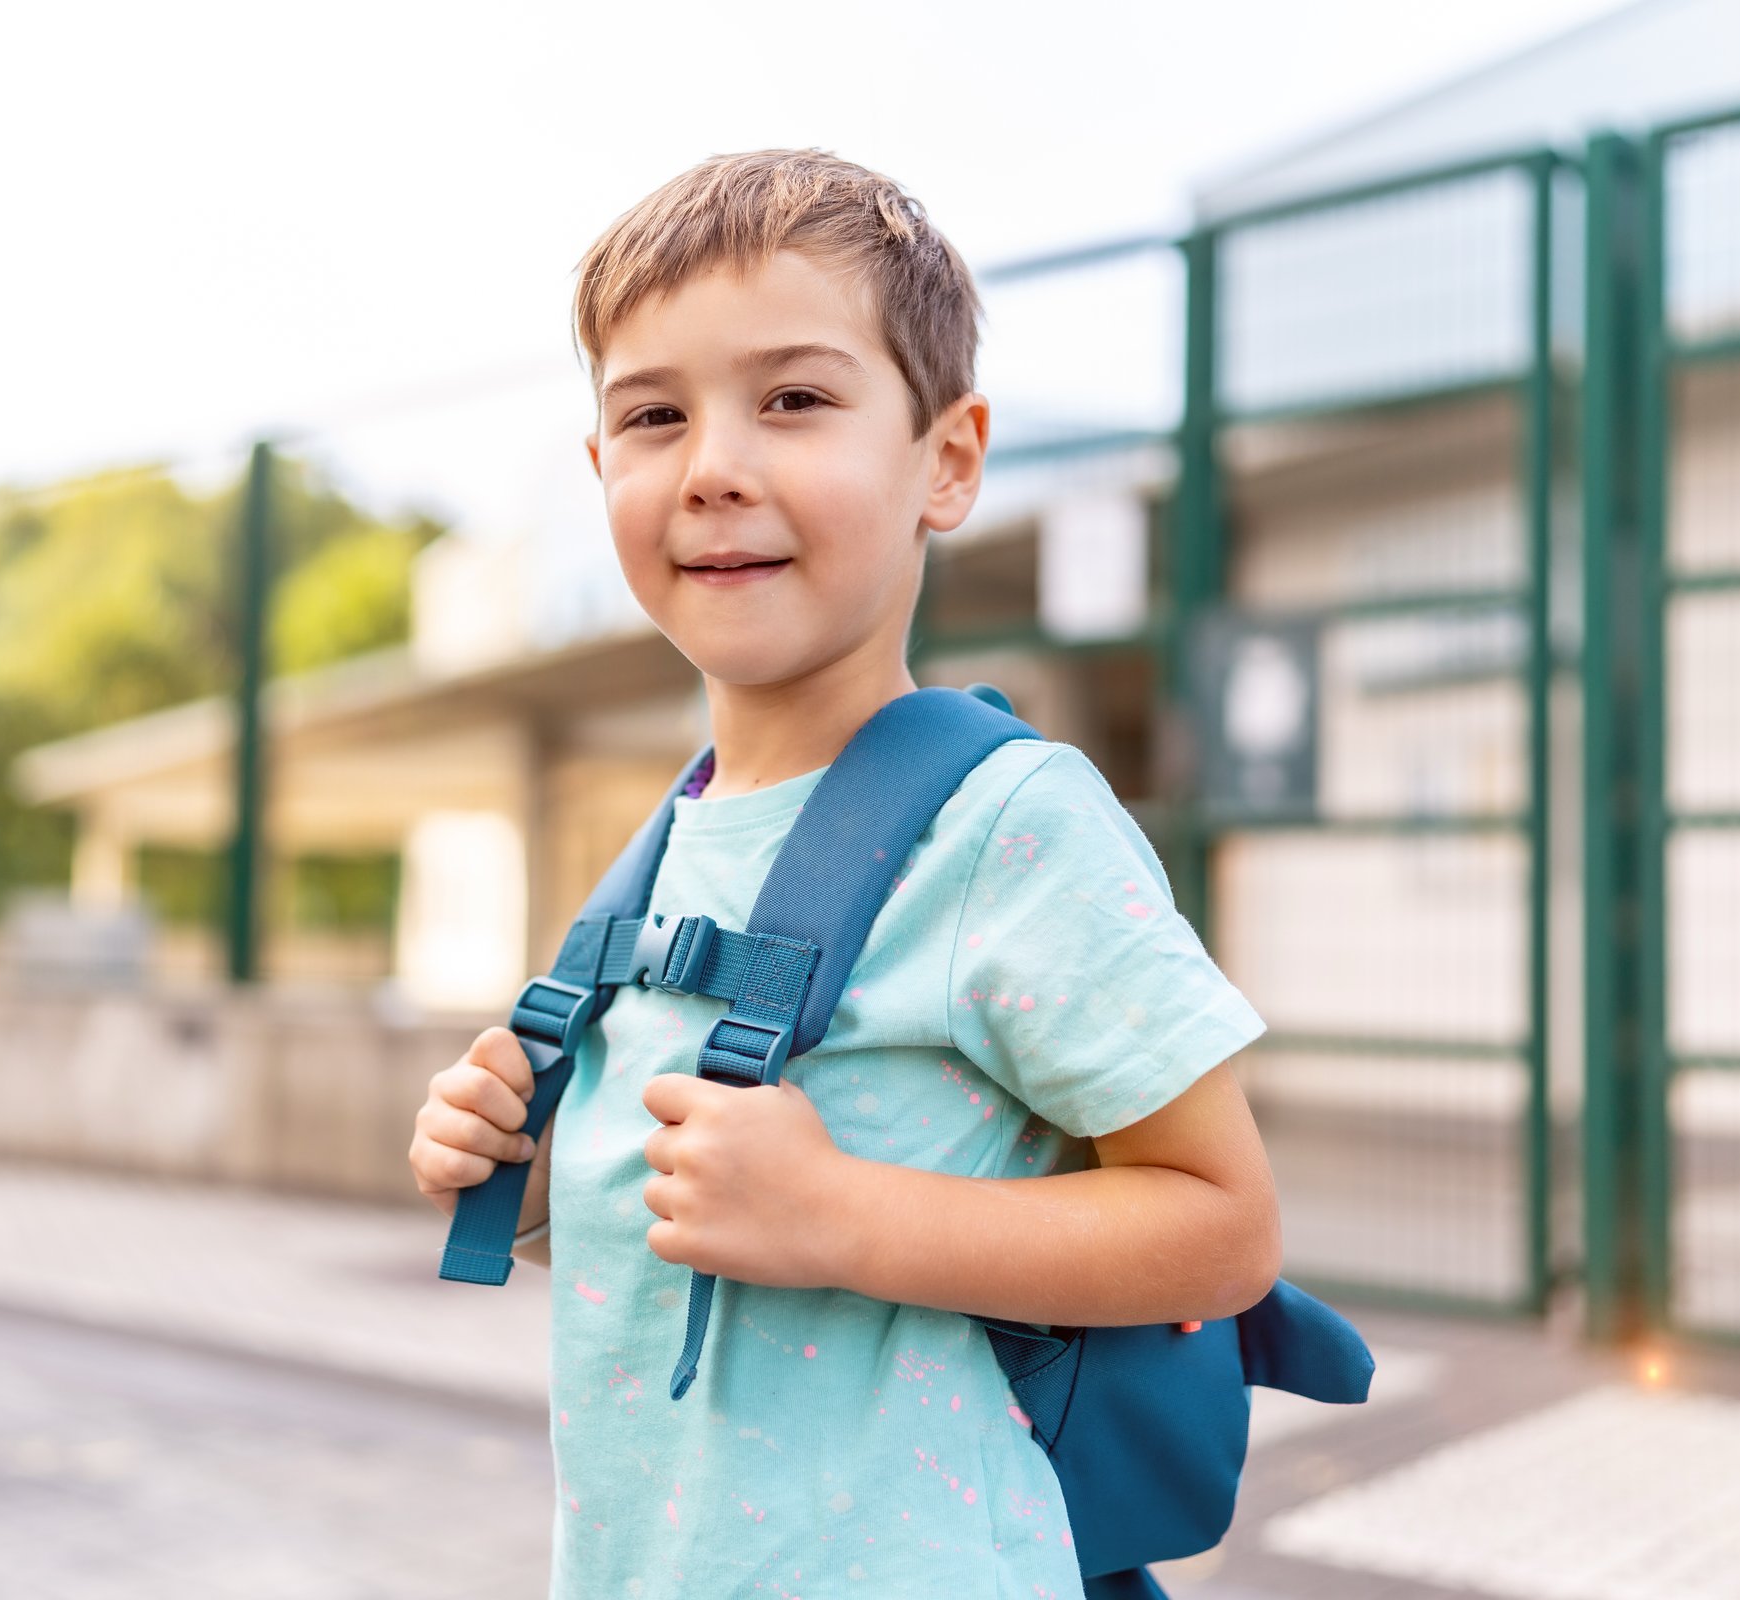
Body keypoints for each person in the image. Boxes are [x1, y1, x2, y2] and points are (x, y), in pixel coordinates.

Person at [409, 148, 1279, 1599]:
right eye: (652, 416)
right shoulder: (666, 843)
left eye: (795, 400)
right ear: (601, 470)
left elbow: (1224, 1227)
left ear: (947, 459)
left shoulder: (1011, 825)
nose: (714, 467)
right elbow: (701, 1237)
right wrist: (525, 1165)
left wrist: (844, 1220)